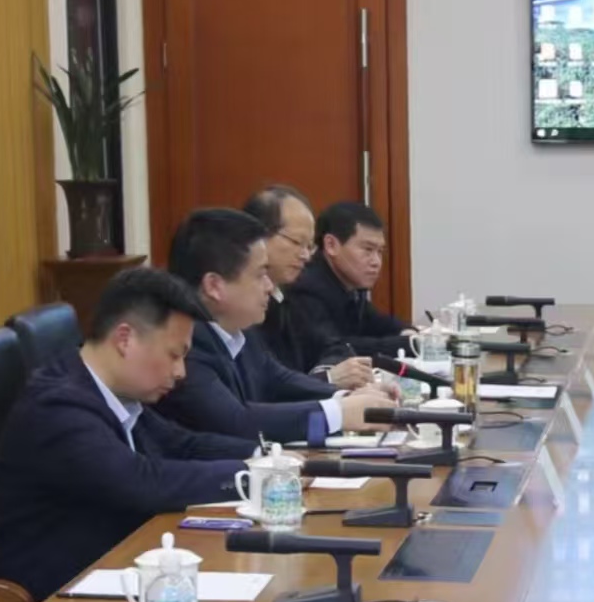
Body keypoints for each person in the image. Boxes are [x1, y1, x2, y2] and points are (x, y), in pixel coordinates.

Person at [0, 268, 257, 600]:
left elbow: (183, 444)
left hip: (115, 572)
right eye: (174, 355)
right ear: (125, 339)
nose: (180, 372)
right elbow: (143, 482)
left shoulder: (114, 391)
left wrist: (268, 458)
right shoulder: (57, 407)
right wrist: (252, 476)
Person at [154, 208, 390, 445]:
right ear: (214, 286)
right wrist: (338, 413)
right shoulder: (186, 343)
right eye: (260, 275)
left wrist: (347, 397)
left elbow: (277, 380)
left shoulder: (240, 330)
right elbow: (236, 421)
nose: (269, 286)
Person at [243, 184, 372, 387]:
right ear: (258, 236)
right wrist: (327, 379)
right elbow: (264, 389)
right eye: (297, 242)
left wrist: (328, 372)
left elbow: (332, 346)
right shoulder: (240, 305)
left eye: (309, 246)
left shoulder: (287, 295)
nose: (305, 256)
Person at [290, 201, 414, 359]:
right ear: (331, 245)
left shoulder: (350, 282)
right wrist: (408, 344)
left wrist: (409, 332)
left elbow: (375, 322)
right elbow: (332, 347)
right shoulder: (306, 287)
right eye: (368, 250)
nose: (376, 262)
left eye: (379, 252)